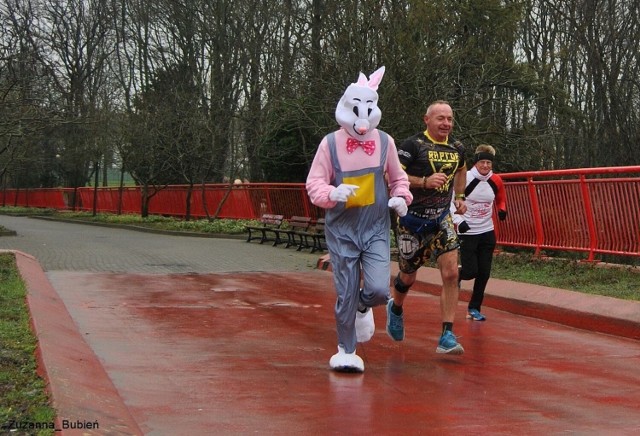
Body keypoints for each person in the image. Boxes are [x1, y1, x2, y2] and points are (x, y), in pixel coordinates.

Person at [306, 66, 412, 373]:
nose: (363, 125)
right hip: (342, 229)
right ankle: (347, 349)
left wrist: (400, 198)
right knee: (346, 290)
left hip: (376, 226)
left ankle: (364, 307)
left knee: (379, 289)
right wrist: (331, 193)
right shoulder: (329, 144)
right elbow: (314, 184)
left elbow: (398, 178)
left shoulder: (385, 142)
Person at [387, 100, 467, 355]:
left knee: (452, 273)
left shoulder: (457, 148)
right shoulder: (413, 145)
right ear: (427, 120)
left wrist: (460, 196)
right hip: (411, 222)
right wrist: (423, 181)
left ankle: (447, 334)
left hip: (441, 220)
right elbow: (391, 174)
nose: (446, 124)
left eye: (450, 119)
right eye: (440, 118)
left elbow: (461, 168)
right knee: (408, 276)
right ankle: (396, 308)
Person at [451, 144, 507, 321]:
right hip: (468, 231)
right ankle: (457, 274)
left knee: (484, 272)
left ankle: (474, 308)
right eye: (482, 162)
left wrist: (502, 209)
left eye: (488, 163)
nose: (485, 166)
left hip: (487, 231)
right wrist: (459, 222)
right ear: (476, 163)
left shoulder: (495, 180)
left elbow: (500, 198)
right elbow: (451, 202)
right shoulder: (465, 178)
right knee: (471, 271)